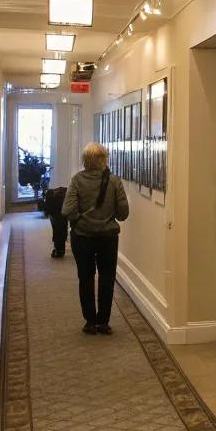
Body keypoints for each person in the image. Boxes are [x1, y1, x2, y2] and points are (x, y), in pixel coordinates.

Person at [62, 143, 129, 335]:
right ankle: (104, 322)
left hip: (82, 237)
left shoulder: (77, 180)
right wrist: (108, 213)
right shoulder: (115, 181)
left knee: (85, 277)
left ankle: (90, 321)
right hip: (108, 237)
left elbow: (67, 210)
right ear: (104, 159)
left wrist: (81, 219)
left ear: (85, 160)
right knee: (107, 278)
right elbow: (123, 213)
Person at [42, 183, 68, 258]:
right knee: (60, 229)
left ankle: (59, 249)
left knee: (58, 229)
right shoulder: (55, 199)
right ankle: (59, 249)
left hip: (57, 209)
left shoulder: (52, 201)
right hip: (59, 208)